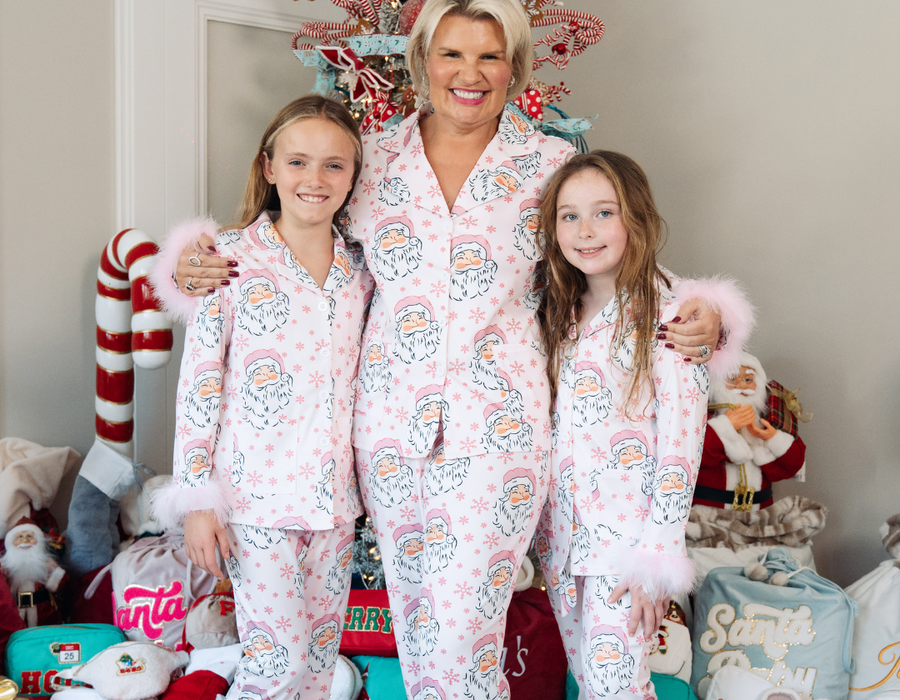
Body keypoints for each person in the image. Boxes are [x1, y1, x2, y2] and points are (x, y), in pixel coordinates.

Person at [156, 2, 748, 697]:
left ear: (515, 68)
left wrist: (707, 311)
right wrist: (191, 265)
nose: (470, 74)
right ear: (422, 63)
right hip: (384, 437)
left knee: (466, 637)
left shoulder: (550, 163)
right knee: (417, 632)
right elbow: (300, 247)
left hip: (499, 434)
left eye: (490, 56)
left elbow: (606, 263)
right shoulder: (372, 156)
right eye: (452, 54)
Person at [150, 95, 373, 700]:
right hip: (255, 504)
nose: (315, 179)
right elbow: (199, 385)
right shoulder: (227, 260)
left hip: (335, 505)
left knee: (319, 669)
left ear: (354, 176)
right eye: (298, 162)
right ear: (269, 166)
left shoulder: (363, 268)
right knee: (275, 667)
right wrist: (197, 499)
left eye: (335, 165)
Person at [535, 151, 738, 699]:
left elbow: (680, 444)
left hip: (626, 548)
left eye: (604, 213)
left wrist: (655, 561)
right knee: (596, 684)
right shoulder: (558, 312)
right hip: (563, 540)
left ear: (636, 217)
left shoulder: (673, 315)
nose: (585, 231)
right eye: (569, 216)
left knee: (615, 689)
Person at [693, 351, 806, 511]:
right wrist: (724, 427)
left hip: (759, 518)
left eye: (748, 379)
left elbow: (792, 466)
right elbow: (689, 460)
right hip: (709, 519)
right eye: (732, 379)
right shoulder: (700, 417)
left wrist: (773, 437)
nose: (741, 385)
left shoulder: (768, 419)